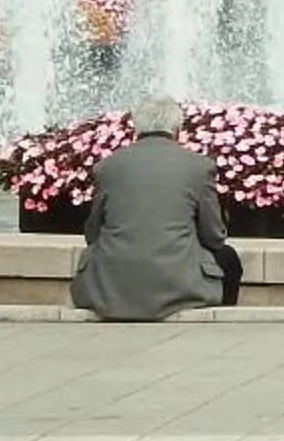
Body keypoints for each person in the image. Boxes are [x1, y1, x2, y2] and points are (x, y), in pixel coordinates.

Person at [70, 96, 238, 321]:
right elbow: (214, 236)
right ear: (178, 130)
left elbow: (92, 233)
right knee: (229, 258)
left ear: (135, 129)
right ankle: (222, 321)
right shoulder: (198, 166)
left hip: (109, 288)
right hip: (180, 287)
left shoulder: (108, 166)